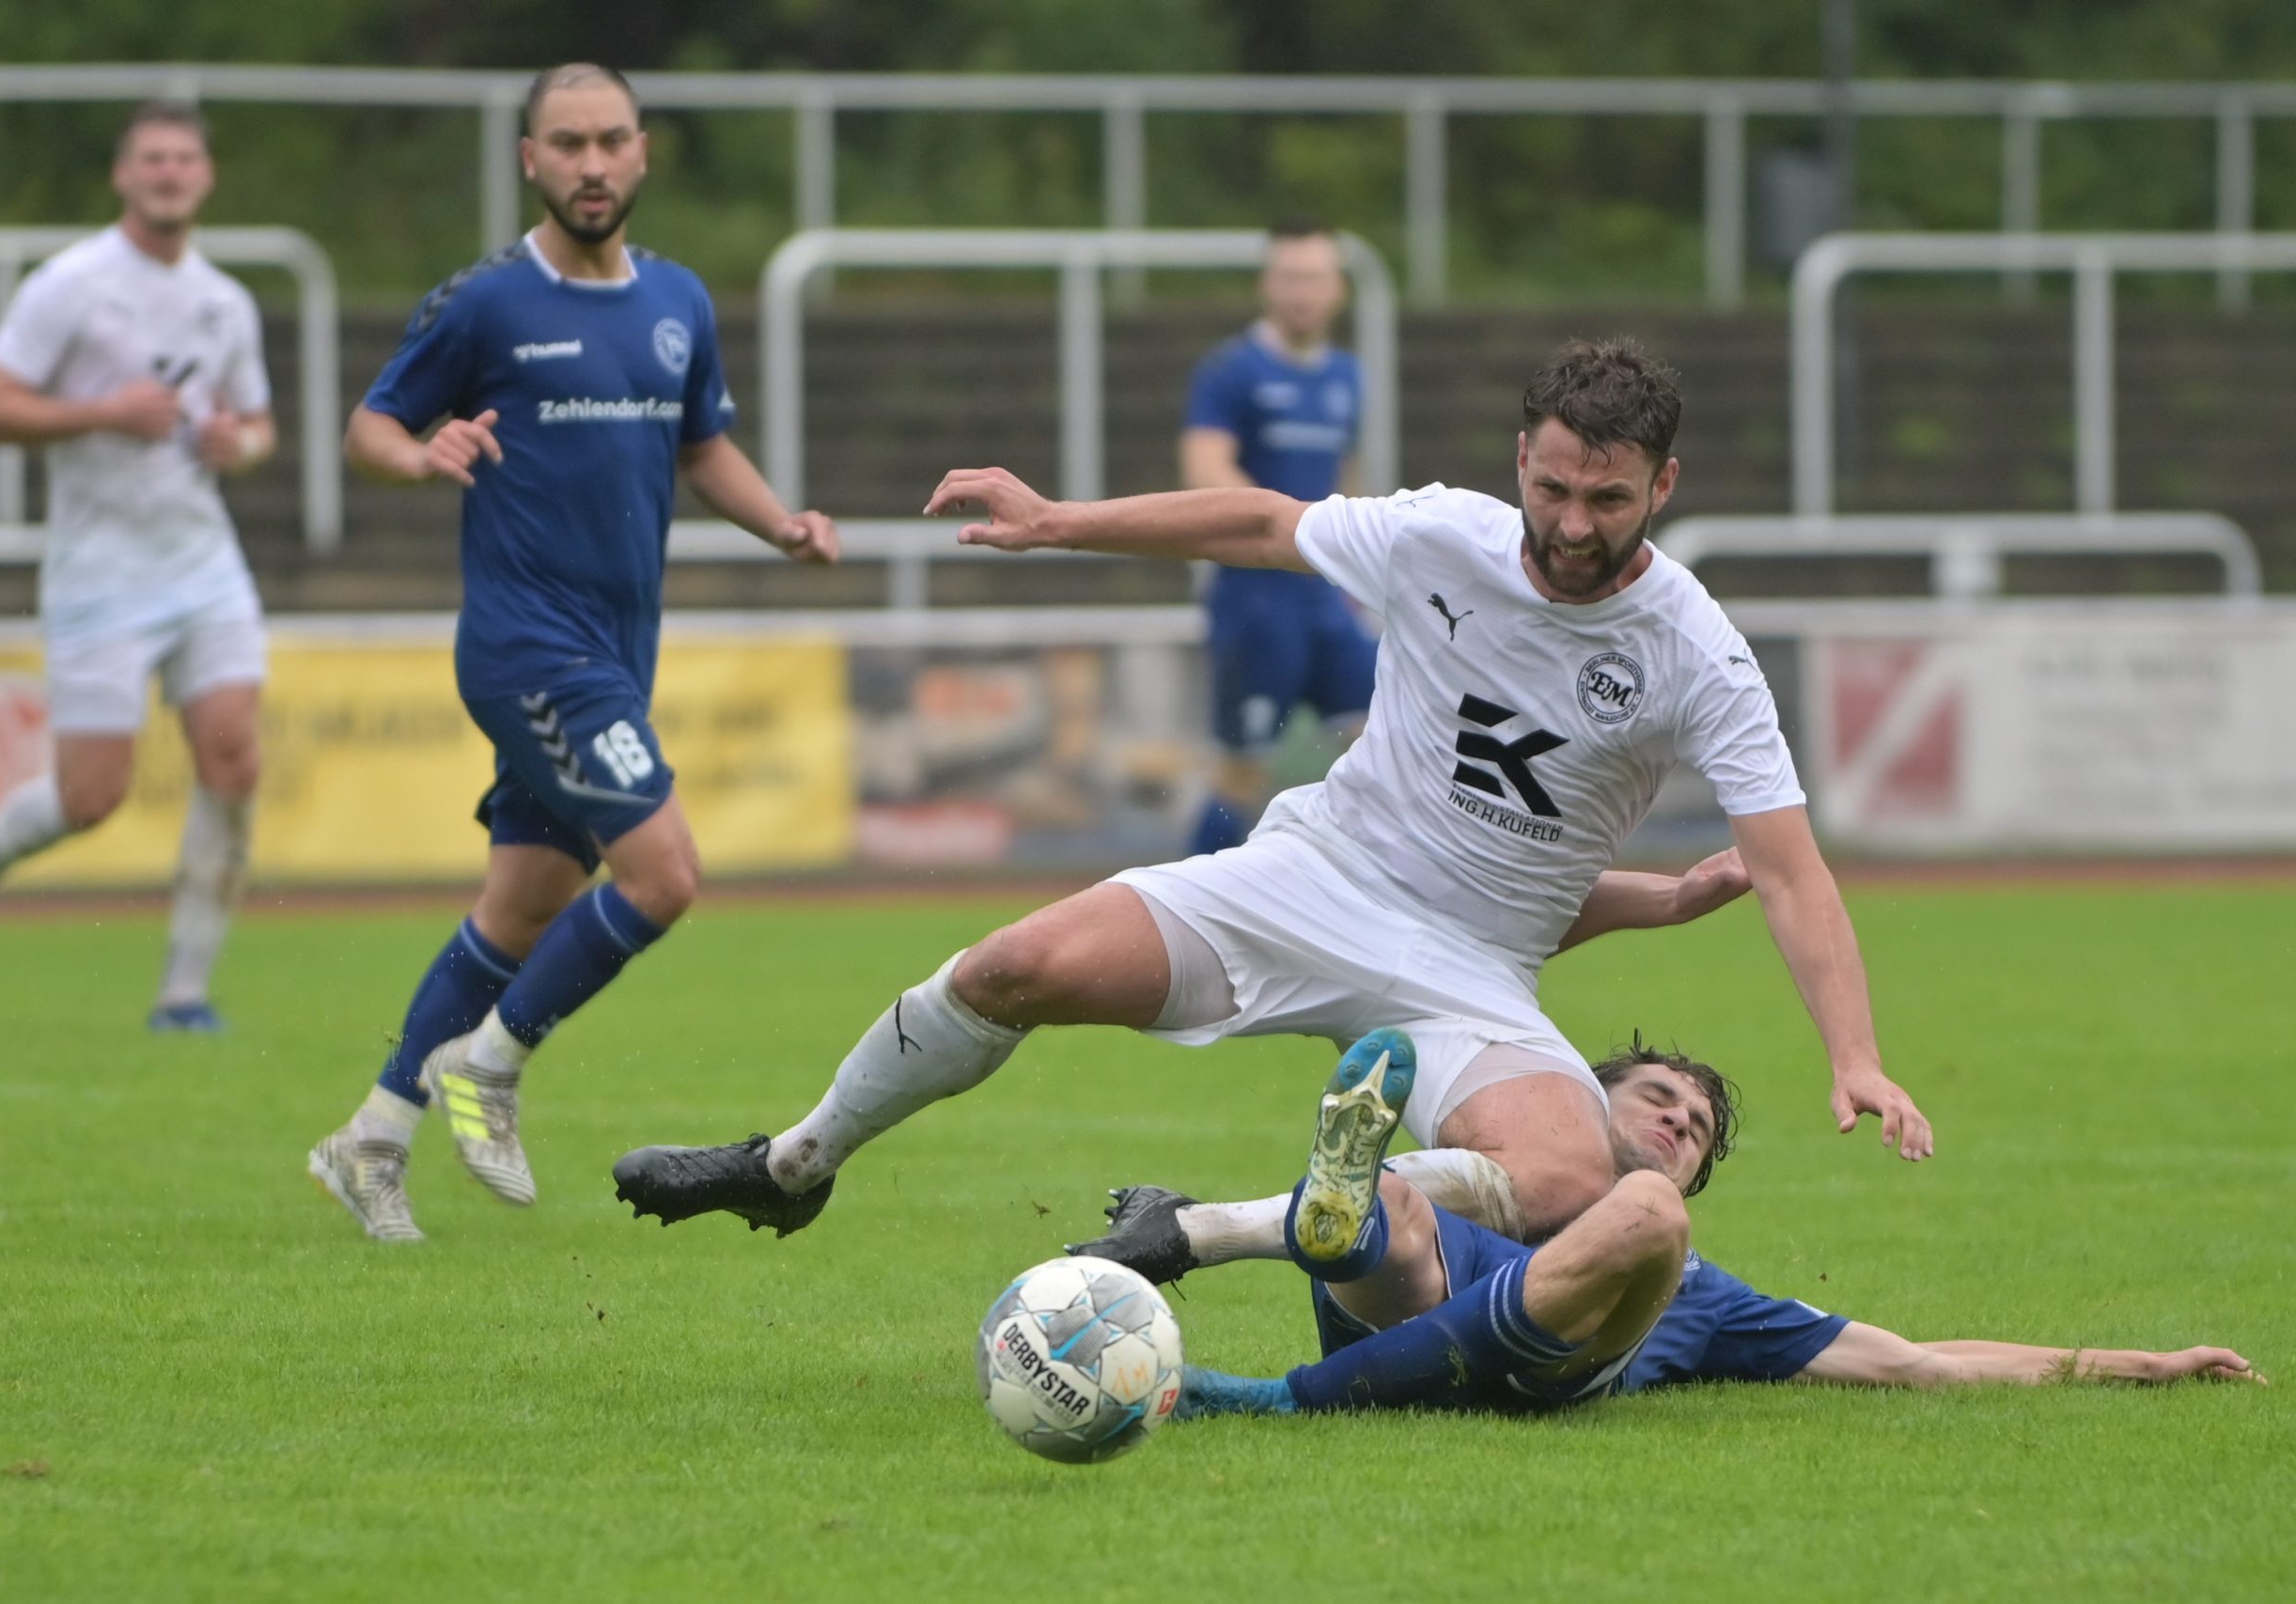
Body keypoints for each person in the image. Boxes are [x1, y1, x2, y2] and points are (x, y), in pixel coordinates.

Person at [611, 338, 1929, 1248]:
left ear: (1665, 487)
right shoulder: (1441, 535)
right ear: (1516, 457)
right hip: (1315, 875)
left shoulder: (1696, 651)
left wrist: (1855, 1053)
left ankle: (1199, 1226)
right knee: (1014, 964)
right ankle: (793, 1165)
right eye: (1551, 488)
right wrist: (1063, 518)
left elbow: (1794, 868)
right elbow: (1256, 523)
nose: (1574, 526)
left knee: (1575, 1173)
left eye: (1609, 499)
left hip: (1474, 969)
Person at [306, 63, 838, 1242]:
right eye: (567, 144)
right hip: (525, 645)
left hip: (613, 650)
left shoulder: (679, 302)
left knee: (522, 907)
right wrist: (419, 456)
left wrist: (782, 523)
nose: (591, 164)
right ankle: (488, 1066)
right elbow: (368, 426)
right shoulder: (488, 303)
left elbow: (702, 447)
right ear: (529, 161)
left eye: (609, 142)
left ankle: (371, 1141)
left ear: (642, 151)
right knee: (663, 878)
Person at [1138, 1030, 2258, 1419]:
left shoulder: (1697, 1282)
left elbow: (1916, 1365)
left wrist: (2143, 1364)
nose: (1680, 1121)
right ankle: (1338, 1208)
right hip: (1405, 1317)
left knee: (1639, 1213)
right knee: (1385, 1200)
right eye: (1656, 1100)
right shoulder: (1493, 1174)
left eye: (1698, 1125)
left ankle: (1286, 1396)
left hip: (1551, 1365)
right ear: (1586, 1098)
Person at [0, 102, 274, 1032]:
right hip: (99, 572)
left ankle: (184, 995)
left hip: (203, 561)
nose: (168, 172)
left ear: (207, 177)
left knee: (234, 758)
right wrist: (100, 413)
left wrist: (243, 443)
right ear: (122, 175)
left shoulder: (226, 301)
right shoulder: (69, 284)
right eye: (152, 158)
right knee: (90, 797)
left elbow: (261, 426)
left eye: (185, 158)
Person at [1179, 218, 1375, 855]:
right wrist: (1289, 527)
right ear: (1267, 285)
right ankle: (1179, 921)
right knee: (1242, 772)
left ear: (1338, 289)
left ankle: (1389, 910)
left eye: (1314, 277)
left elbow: (1345, 479)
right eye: (1289, 277)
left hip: (1326, 599)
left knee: (1386, 742)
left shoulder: (1347, 376)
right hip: (1255, 601)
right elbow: (1205, 472)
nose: (1302, 292)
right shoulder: (1231, 371)